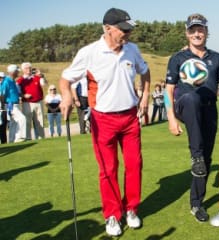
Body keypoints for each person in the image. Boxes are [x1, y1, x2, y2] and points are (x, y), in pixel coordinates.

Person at [59, 8, 151, 236]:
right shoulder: (90, 52)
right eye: (123, 29)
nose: (127, 33)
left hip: (130, 117)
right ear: (107, 28)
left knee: (134, 165)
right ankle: (112, 214)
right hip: (103, 120)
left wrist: (146, 97)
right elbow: (65, 79)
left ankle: (131, 209)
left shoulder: (132, 50)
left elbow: (145, 72)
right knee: (108, 169)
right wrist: (67, 96)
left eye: (129, 29)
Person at [164, 13, 219, 222]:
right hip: (185, 105)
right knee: (191, 97)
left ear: (207, 32)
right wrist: (171, 118)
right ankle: (196, 154)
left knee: (205, 161)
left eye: (201, 30)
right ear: (187, 33)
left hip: (208, 109)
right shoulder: (178, 58)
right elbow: (169, 89)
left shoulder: (217, 58)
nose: (197, 34)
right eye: (193, 30)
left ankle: (196, 204)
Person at [16, 62, 47, 140]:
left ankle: (41, 137)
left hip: (38, 102)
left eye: (29, 68)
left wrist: (41, 75)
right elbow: (17, 92)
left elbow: (44, 84)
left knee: (40, 121)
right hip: (27, 103)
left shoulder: (37, 78)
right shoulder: (20, 80)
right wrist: (23, 95)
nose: (28, 69)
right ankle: (28, 137)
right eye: (26, 68)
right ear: (23, 70)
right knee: (28, 122)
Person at [2, 65, 27, 143]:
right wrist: (4, 104)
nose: (18, 72)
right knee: (22, 119)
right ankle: (20, 138)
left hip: (14, 104)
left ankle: (12, 140)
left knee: (13, 123)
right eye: (17, 71)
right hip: (10, 105)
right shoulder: (6, 81)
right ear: (13, 72)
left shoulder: (12, 81)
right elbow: (2, 94)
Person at [0, 72, 7, 143]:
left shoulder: (5, 86)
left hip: (3, 109)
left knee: (3, 127)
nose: (1, 79)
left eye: (3, 78)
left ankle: (4, 143)